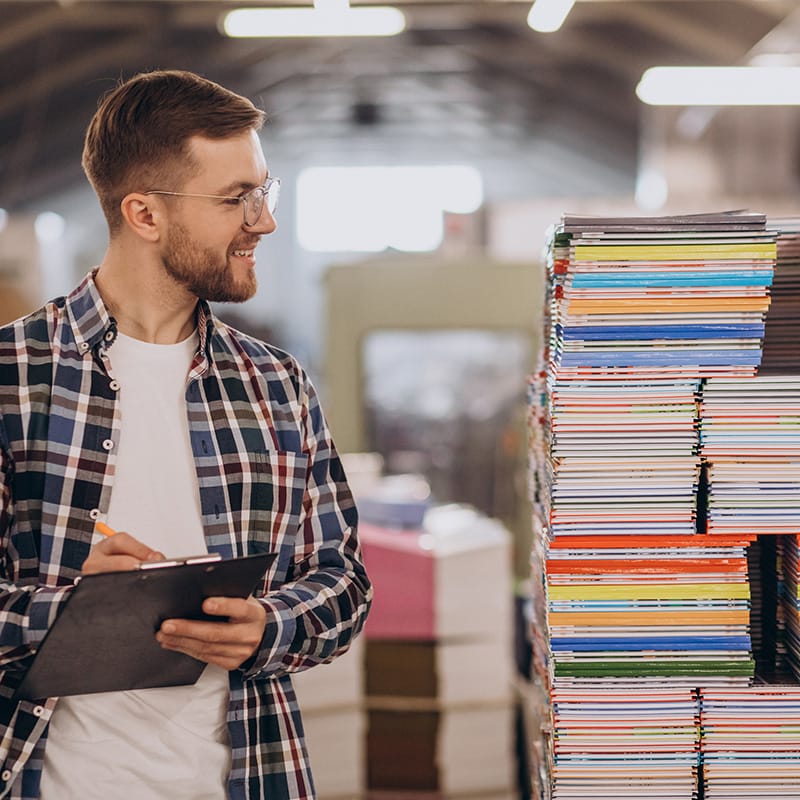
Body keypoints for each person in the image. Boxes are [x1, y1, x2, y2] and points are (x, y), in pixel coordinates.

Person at [0, 69, 372, 800]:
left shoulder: (276, 385)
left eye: (264, 192)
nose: (263, 221)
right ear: (144, 214)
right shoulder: (11, 378)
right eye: (238, 198)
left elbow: (344, 581)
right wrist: (72, 610)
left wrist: (272, 624)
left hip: (248, 778)